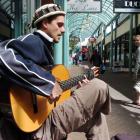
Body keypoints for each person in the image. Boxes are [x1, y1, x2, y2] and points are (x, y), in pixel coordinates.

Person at [0, 4, 111, 140]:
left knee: (96, 118)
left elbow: (52, 94)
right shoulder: (34, 41)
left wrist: (72, 90)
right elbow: (2, 54)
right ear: (45, 23)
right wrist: (47, 83)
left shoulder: (45, 46)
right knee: (99, 86)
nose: (63, 30)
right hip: (34, 130)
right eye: (59, 25)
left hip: (41, 120)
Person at [132, 35, 140, 105]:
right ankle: (137, 100)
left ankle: (138, 100)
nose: (136, 41)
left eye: (137, 40)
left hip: (139, 71)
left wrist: (135, 73)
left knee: (137, 86)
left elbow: (138, 62)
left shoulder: (139, 49)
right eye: (135, 40)